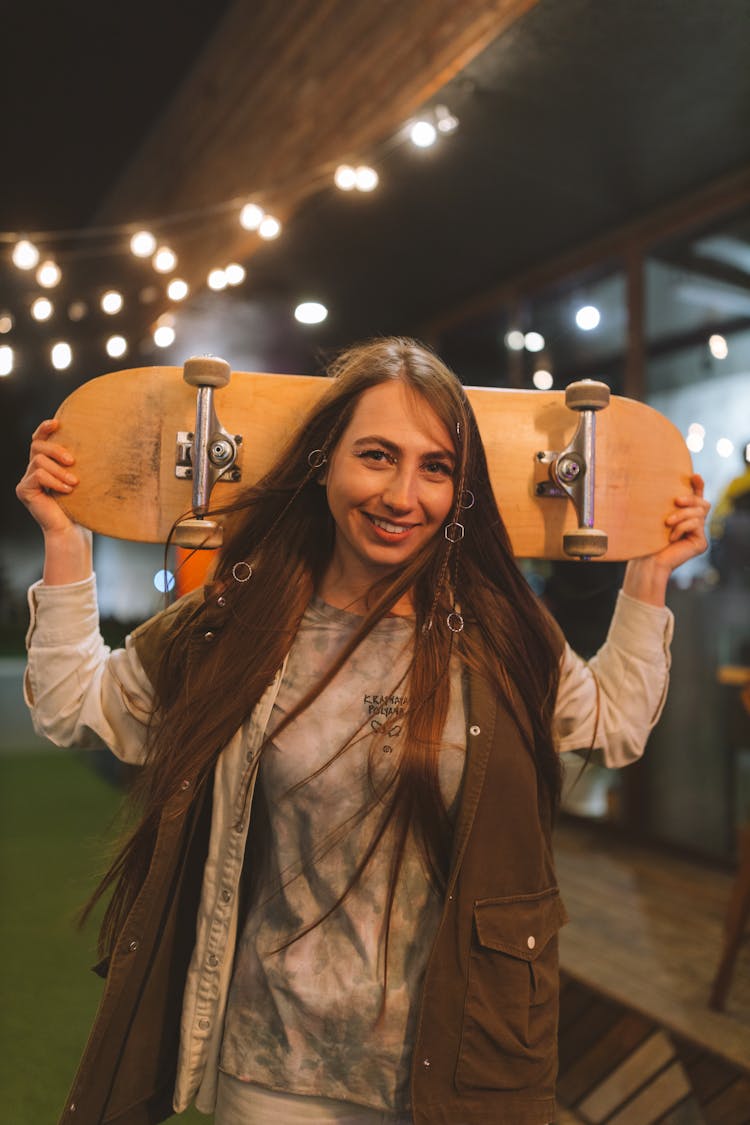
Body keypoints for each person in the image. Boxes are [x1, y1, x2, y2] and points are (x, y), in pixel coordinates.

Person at [17, 338, 709, 1125]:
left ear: (462, 486)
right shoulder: (242, 622)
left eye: (435, 467)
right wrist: (66, 540)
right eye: (376, 456)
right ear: (323, 462)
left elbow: (613, 725)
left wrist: (649, 577)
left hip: (450, 1063)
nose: (402, 495)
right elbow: (75, 704)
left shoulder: (504, 633)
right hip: (274, 1063)